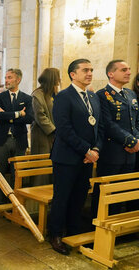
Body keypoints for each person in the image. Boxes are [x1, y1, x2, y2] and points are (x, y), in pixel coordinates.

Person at [48, 59, 103, 255]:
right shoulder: (64, 97)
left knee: (79, 197)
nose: (89, 73)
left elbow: (99, 127)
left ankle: (74, 231)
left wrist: (95, 149)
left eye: (91, 70)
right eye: (85, 70)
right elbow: (64, 129)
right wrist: (85, 150)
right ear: (73, 74)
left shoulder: (93, 97)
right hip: (66, 158)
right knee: (62, 197)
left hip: (87, 158)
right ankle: (55, 234)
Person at [93, 60, 138, 217]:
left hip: (130, 154)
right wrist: (132, 141)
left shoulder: (130, 94)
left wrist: (137, 141)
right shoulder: (102, 95)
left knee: (123, 192)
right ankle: (98, 228)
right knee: (106, 193)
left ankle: (117, 229)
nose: (129, 72)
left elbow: (136, 122)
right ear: (111, 74)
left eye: (129, 69)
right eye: (123, 69)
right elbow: (108, 124)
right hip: (112, 153)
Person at [0, 69, 33, 204]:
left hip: (19, 139)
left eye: (9, 78)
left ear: (18, 80)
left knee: (17, 173)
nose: (6, 80)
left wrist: (7, 115)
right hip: (2, 139)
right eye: (6, 77)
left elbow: (30, 118)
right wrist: (18, 114)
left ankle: (15, 204)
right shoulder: (0, 97)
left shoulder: (27, 98)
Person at [31, 68, 60, 155]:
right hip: (42, 135)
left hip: (56, 135)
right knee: (43, 163)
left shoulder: (55, 94)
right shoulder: (38, 95)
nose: (59, 80)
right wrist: (54, 130)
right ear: (52, 78)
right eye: (58, 77)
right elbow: (40, 116)